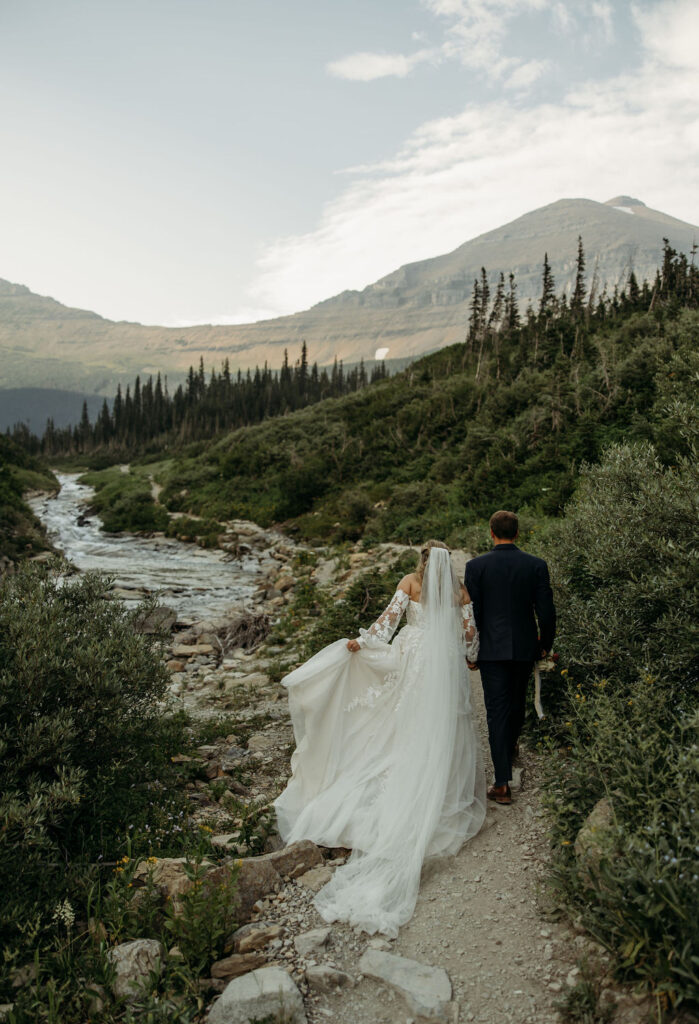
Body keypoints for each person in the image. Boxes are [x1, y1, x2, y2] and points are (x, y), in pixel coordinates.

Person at [274, 541, 486, 936]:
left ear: (422, 561)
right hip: (444, 668)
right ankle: (438, 786)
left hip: (413, 660)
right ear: (448, 564)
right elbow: (471, 637)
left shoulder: (410, 582)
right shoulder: (460, 592)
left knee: (404, 723)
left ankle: (401, 777)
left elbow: (386, 624)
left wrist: (362, 644)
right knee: (446, 725)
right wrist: (471, 656)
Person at [464, 510, 556, 805]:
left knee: (496, 710)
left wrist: (472, 650)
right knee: (517, 702)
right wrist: (545, 644)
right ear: (517, 533)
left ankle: (502, 782)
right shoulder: (536, 565)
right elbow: (546, 611)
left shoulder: (475, 566)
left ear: (491, 532)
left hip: (490, 649)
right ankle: (511, 745)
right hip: (525, 646)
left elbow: (473, 614)